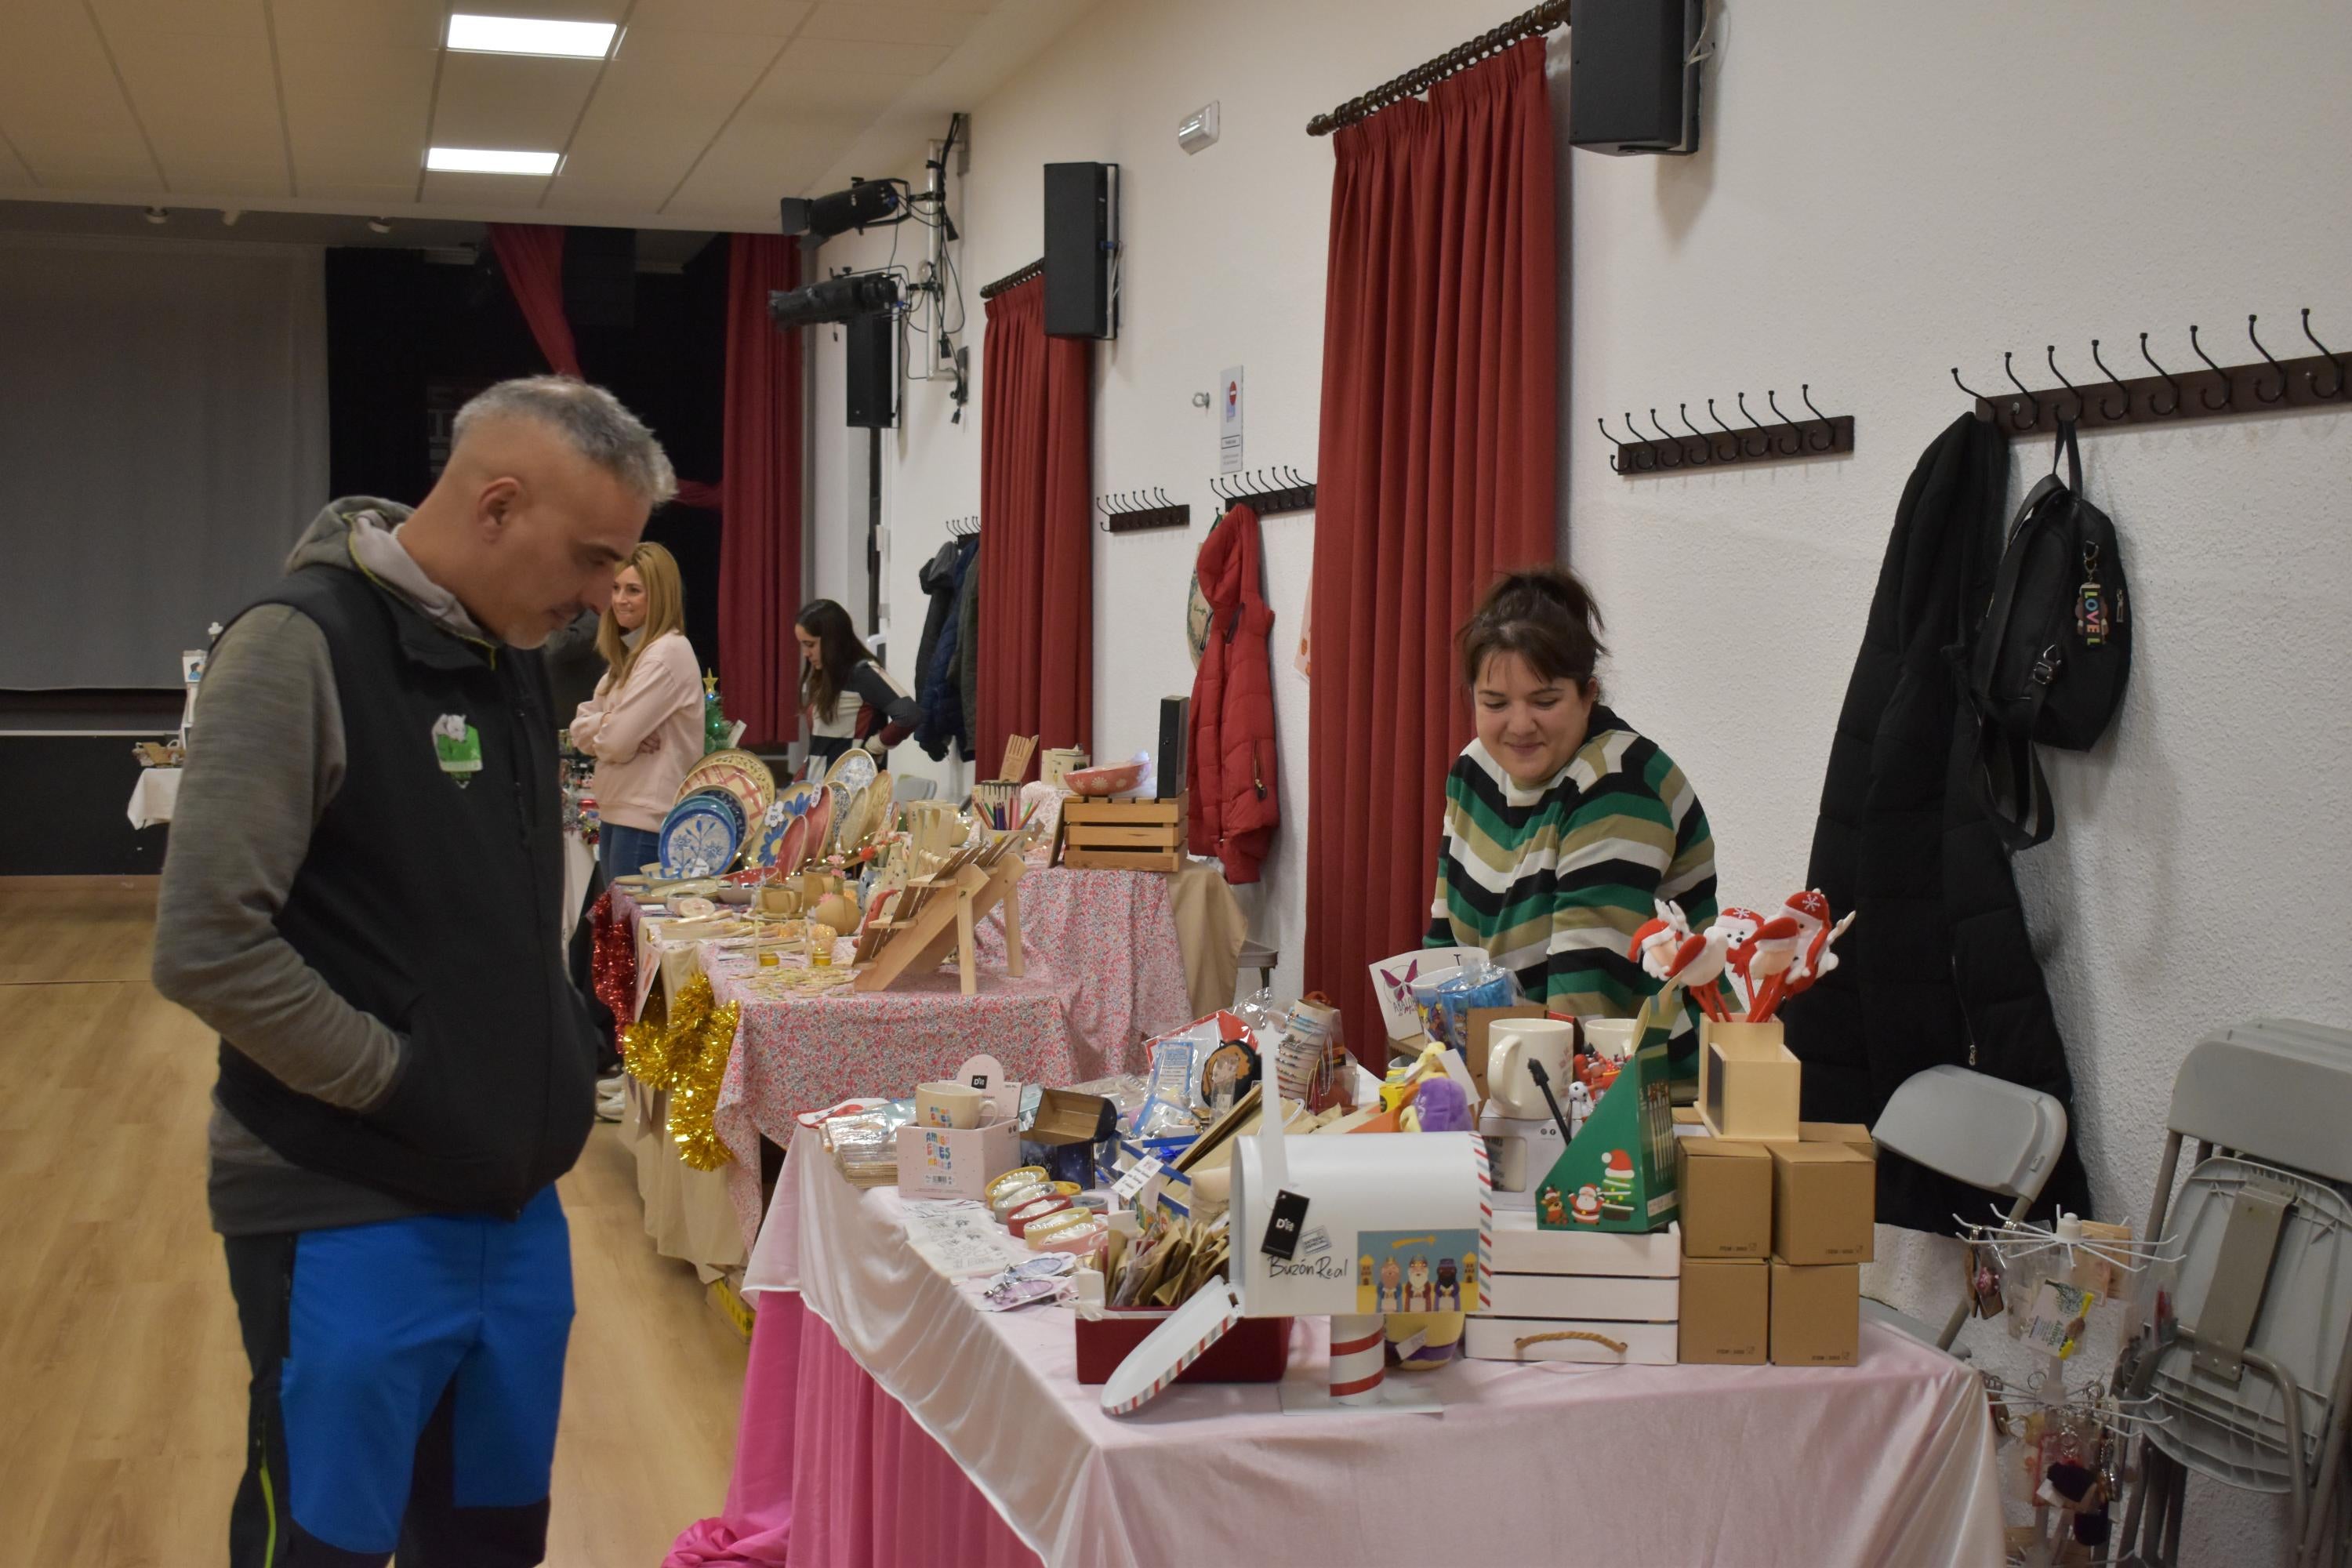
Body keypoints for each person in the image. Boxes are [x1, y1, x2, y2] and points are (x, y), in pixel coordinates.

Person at [151, 376, 675, 1566]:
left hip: (511, 1207)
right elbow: (208, 946)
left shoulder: (507, 657)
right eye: (593, 558)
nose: (607, 594)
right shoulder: (298, 646)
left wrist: (562, 1041)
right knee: (327, 1546)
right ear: (496, 505)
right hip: (344, 1203)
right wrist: (404, 1081)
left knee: (492, 1540)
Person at [1425, 565, 1720, 1080]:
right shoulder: (1474, 771)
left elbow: (1587, 997)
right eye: (1495, 703)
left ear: (1588, 694)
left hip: (1648, 1084)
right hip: (1519, 1066)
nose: (1519, 725)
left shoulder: (1617, 784)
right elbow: (1445, 947)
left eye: (1545, 701)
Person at [568, 541, 702, 884]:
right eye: (615, 588)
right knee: (618, 932)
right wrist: (611, 724)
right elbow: (579, 730)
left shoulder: (665, 654)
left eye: (633, 590)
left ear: (658, 596)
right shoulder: (632, 656)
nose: (620, 600)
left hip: (646, 822)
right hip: (620, 814)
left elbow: (613, 744)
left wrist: (611, 730)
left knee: (630, 934)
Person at [797, 597, 921, 773]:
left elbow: (909, 714)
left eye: (810, 645)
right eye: (802, 645)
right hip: (819, 790)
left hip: (852, 793)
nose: (805, 654)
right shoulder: (825, 676)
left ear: (832, 640)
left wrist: (872, 748)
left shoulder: (861, 673)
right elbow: (818, 750)